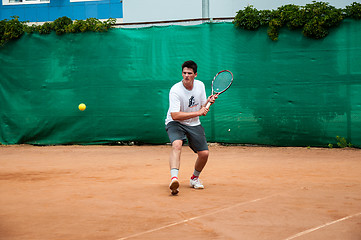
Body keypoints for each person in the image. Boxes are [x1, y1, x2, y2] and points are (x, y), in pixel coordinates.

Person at [165, 60, 218, 195]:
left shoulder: (200, 85)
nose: (186, 76)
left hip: (193, 123)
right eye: (184, 73)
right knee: (177, 144)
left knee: (204, 154)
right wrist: (198, 113)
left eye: (189, 73)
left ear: (195, 74)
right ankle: (174, 179)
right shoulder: (175, 90)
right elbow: (175, 115)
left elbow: (201, 107)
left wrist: (208, 102)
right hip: (175, 123)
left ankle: (194, 178)